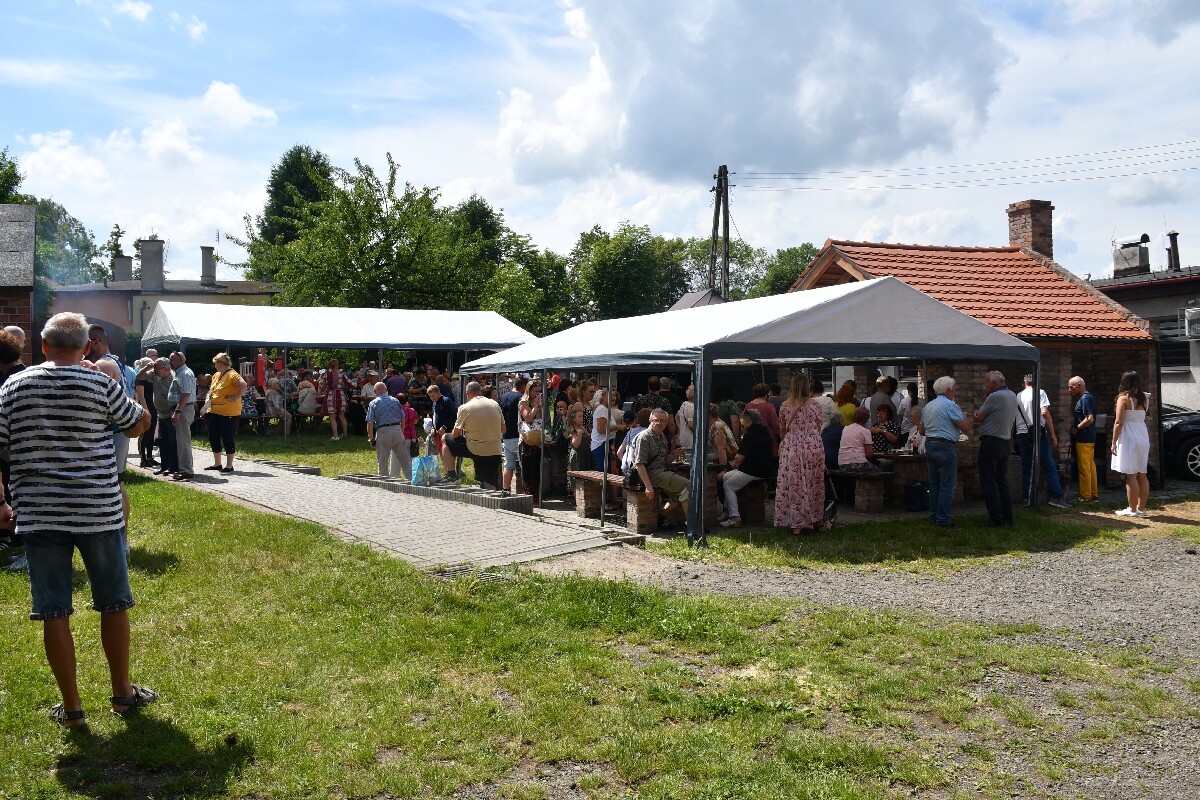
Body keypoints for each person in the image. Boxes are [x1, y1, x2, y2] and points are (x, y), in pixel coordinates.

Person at [0, 312, 155, 726]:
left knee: (53, 611)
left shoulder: (14, 385)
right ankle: (122, 694)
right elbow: (137, 426)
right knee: (114, 602)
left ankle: (71, 709)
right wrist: (136, 400)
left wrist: (2, 499)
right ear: (86, 348)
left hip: (39, 512)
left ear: (44, 346)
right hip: (98, 509)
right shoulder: (100, 382)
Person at [774, 373, 826, 535]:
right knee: (813, 483)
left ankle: (795, 523)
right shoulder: (815, 405)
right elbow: (818, 426)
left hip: (792, 446)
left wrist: (786, 440)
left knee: (793, 484)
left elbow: (782, 428)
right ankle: (814, 518)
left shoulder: (785, 405)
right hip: (813, 445)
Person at [919, 375, 972, 528]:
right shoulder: (950, 405)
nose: (954, 392)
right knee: (947, 485)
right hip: (945, 445)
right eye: (954, 390)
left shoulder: (928, 406)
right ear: (949, 390)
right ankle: (943, 519)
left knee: (934, 484)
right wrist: (964, 417)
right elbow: (966, 428)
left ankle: (934, 516)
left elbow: (922, 431)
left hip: (930, 444)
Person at [1015, 374, 1068, 509]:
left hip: (1022, 433)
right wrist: (1052, 434)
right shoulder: (1040, 392)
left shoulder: (1018, 396)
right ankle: (1056, 497)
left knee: (1027, 466)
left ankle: (1027, 498)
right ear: (1036, 381)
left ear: (1024, 383)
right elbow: (1044, 413)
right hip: (1038, 433)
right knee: (1048, 465)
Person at [973, 370, 1018, 527]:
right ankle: (1007, 516)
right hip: (1005, 441)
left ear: (994, 382)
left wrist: (974, 413)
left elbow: (979, 416)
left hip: (991, 442)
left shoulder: (994, 396)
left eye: (986, 382)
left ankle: (995, 518)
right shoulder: (1012, 395)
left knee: (988, 481)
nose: (985, 385)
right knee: (1002, 481)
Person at [717, 408, 774, 529]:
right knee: (726, 476)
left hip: (753, 470)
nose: (742, 423)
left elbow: (739, 458)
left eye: (743, 420)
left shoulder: (750, 435)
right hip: (763, 468)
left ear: (749, 421)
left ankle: (734, 517)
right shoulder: (764, 432)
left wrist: (734, 464)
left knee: (729, 485)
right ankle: (728, 510)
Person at [633, 409, 689, 528]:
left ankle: (662, 514)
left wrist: (674, 455)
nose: (659, 423)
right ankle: (692, 524)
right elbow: (639, 464)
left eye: (662, 421)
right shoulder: (644, 437)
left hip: (660, 472)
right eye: (656, 420)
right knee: (688, 486)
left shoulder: (662, 436)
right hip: (648, 474)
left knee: (681, 491)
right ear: (650, 420)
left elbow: (664, 461)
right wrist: (648, 486)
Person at [444, 381, 504, 490]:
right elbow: (504, 429)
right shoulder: (495, 404)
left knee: (445, 438)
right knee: (489, 481)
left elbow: (456, 434)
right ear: (480, 392)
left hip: (476, 449)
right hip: (495, 450)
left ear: (467, 394)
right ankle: (492, 502)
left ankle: (451, 474)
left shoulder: (465, 407)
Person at [1110, 371, 1151, 518]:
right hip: (1143, 435)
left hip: (1129, 436)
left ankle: (1132, 510)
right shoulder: (1145, 397)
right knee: (1142, 474)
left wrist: (1114, 441)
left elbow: (1119, 422)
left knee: (1131, 475)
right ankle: (1141, 509)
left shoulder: (1123, 399)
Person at [205, 353, 247, 474]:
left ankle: (229, 465)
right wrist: (208, 395)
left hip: (227, 412)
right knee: (213, 437)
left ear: (221, 363)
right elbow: (212, 389)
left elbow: (243, 385)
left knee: (227, 437)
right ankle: (217, 464)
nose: (215, 366)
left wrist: (235, 397)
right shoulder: (216, 375)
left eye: (215, 363)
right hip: (214, 411)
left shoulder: (232, 374)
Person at [139, 358, 177, 477]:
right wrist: (146, 368)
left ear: (167, 369)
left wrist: (176, 412)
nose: (155, 371)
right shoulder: (155, 375)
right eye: (154, 368)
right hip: (161, 414)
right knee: (162, 441)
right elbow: (139, 377)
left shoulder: (173, 379)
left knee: (172, 442)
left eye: (158, 369)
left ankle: (173, 467)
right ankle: (164, 466)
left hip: (171, 414)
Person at [366, 381, 409, 479]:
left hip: (383, 432)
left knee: (382, 462)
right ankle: (412, 481)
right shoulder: (395, 400)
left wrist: (371, 439)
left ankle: (385, 484)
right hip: (397, 430)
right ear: (386, 390)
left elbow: (370, 422)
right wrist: (401, 430)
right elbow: (403, 417)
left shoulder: (373, 403)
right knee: (405, 460)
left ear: (375, 391)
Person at [1068, 376, 1099, 502]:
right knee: (1090, 467)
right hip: (1089, 437)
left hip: (1084, 437)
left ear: (1080, 385)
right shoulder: (1087, 397)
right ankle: (1093, 493)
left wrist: (1076, 428)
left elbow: (1089, 418)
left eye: (1072, 387)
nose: (1070, 390)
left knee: (1084, 468)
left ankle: (1085, 496)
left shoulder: (1085, 398)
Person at [167, 352, 195, 480]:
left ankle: (186, 471)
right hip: (182, 409)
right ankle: (183, 468)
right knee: (181, 440)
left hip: (183, 410)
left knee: (183, 441)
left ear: (180, 360)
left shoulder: (185, 373)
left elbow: (185, 394)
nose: (169, 362)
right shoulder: (179, 372)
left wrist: (177, 412)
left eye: (171, 359)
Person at [518, 379, 544, 504]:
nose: (538, 394)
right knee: (528, 470)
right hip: (526, 441)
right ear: (529, 390)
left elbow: (542, 418)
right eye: (536, 391)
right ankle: (529, 496)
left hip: (537, 440)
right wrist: (534, 407)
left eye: (540, 391)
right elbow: (527, 417)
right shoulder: (523, 402)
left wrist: (540, 407)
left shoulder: (537, 402)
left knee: (536, 470)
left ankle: (536, 496)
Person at [499, 376, 526, 494]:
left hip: (506, 436)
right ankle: (527, 490)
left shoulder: (503, 397)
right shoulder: (521, 398)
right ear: (524, 387)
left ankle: (506, 489)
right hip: (518, 435)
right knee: (524, 465)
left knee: (508, 465)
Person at [427, 384, 459, 479]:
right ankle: (446, 472)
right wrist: (433, 427)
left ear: (438, 392)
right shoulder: (434, 403)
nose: (432, 398)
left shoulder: (446, 400)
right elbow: (434, 417)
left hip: (447, 431)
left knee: (448, 452)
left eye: (433, 395)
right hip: (437, 433)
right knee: (442, 453)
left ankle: (451, 472)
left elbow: (453, 414)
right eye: (430, 397)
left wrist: (444, 427)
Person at [317, 358, 352, 441]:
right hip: (340, 395)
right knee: (342, 416)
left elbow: (322, 386)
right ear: (337, 365)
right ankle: (345, 435)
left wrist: (319, 392)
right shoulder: (342, 375)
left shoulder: (325, 375)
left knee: (332, 417)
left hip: (330, 396)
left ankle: (335, 436)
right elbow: (351, 383)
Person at [838, 407, 879, 472]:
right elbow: (869, 454)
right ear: (867, 419)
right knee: (882, 471)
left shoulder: (845, 429)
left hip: (842, 464)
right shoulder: (865, 431)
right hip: (858, 463)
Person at [746, 383, 781, 454]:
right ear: (766, 393)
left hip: (753, 438)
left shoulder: (748, 406)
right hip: (768, 438)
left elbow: (746, 424)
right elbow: (775, 424)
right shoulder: (769, 406)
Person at [707, 403, 738, 467]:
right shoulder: (718, 423)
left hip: (730, 462)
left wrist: (723, 469)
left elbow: (721, 449)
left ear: (709, 415)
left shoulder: (717, 426)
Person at [590, 387, 611, 470]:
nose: (613, 397)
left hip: (604, 443)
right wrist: (617, 427)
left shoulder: (606, 409)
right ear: (603, 397)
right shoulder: (602, 409)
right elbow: (601, 430)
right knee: (602, 472)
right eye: (610, 395)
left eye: (614, 395)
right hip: (600, 443)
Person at [676, 385, 696, 452]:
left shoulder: (684, 404)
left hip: (683, 438)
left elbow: (677, 417)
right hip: (691, 440)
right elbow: (690, 425)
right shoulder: (692, 407)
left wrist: (680, 428)